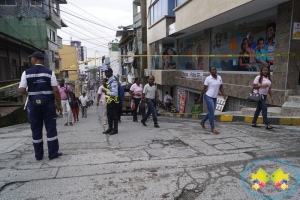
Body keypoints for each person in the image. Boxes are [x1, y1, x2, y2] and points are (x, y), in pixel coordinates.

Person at [19, 51, 62, 160]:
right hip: (48, 105)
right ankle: (52, 154)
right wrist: (59, 104)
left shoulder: (26, 73)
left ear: (34, 59)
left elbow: (22, 90)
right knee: (51, 129)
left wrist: (30, 90)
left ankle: (38, 155)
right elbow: (56, 91)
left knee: (36, 130)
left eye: (31, 59)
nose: (30, 60)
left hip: (34, 105)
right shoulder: (49, 73)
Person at [199, 66, 226, 134]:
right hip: (208, 96)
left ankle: (202, 121)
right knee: (211, 113)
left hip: (214, 97)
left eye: (215, 69)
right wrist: (200, 97)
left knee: (211, 111)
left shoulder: (219, 77)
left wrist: (224, 95)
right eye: (212, 70)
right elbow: (204, 89)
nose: (214, 70)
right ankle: (212, 128)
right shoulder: (208, 79)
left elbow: (221, 87)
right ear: (210, 71)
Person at [102, 68, 119, 135]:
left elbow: (115, 93)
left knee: (114, 116)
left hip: (113, 101)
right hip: (109, 101)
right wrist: (103, 62)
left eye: (106, 73)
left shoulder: (113, 81)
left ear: (110, 73)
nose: (105, 74)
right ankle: (110, 128)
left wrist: (106, 92)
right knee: (109, 115)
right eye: (105, 73)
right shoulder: (109, 80)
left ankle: (115, 130)